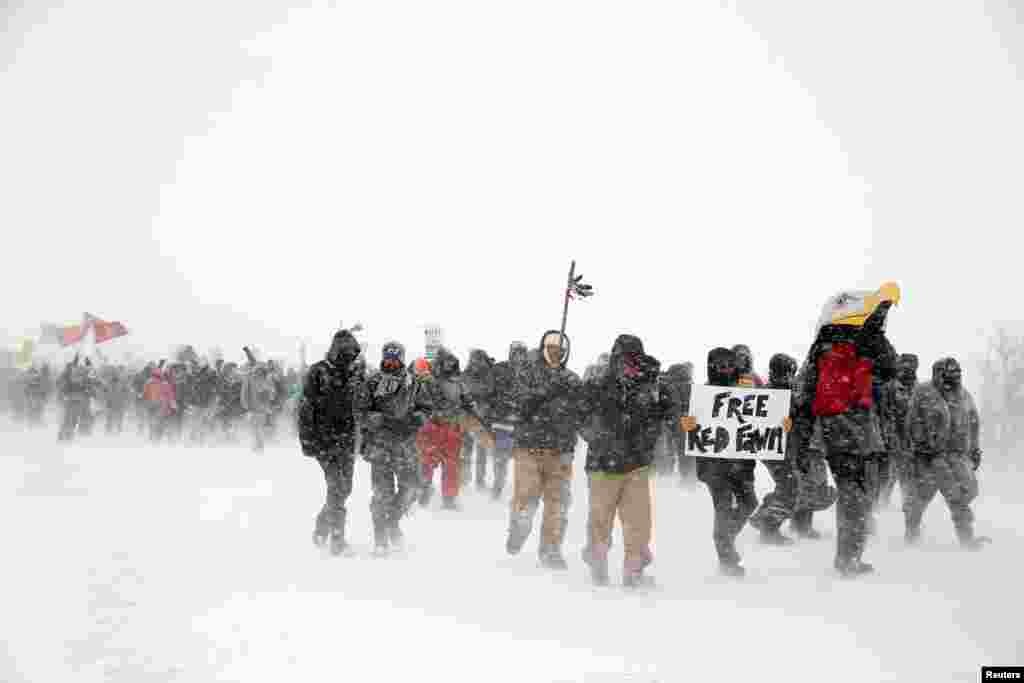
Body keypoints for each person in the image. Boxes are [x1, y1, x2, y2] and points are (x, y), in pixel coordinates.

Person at [803, 290, 897, 577]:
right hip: (842, 430)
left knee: (859, 494)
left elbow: (889, 367)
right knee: (853, 495)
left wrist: (874, 330)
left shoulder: (854, 344)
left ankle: (850, 555)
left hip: (854, 431)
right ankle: (847, 559)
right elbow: (888, 366)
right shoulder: (835, 347)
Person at [578, 334, 670, 587]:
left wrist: (658, 392)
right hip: (607, 465)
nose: (629, 365)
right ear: (615, 358)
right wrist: (602, 440)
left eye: (634, 359)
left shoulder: (649, 386)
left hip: (633, 465)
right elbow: (580, 417)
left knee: (635, 522)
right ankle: (603, 563)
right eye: (624, 359)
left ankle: (630, 568)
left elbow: (664, 416)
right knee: (606, 520)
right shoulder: (598, 385)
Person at [682, 348, 763, 577]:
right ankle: (727, 558)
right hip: (713, 466)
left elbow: (763, 420)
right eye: (720, 365)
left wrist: (780, 424)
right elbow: (689, 425)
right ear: (711, 366)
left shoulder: (747, 389)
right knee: (723, 509)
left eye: (729, 364)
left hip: (742, 464)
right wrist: (688, 425)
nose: (726, 369)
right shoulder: (704, 394)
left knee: (749, 503)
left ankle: (725, 538)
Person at [904, 358, 990, 549]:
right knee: (920, 498)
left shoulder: (964, 395)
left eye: (957, 372)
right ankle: (911, 534)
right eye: (949, 372)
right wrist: (920, 446)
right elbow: (911, 422)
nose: (954, 376)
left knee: (960, 497)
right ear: (938, 373)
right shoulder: (924, 392)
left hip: (956, 456)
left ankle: (967, 539)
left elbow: (973, 422)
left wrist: (974, 449)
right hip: (929, 457)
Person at [357, 341, 432, 555]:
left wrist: (414, 420)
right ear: (383, 357)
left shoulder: (414, 383)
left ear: (401, 358)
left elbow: (426, 408)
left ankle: (392, 522)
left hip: (405, 446)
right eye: (388, 357)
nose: (391, 361)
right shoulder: (372, 382)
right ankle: (380, 537)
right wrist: (379, 419)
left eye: (395, 357)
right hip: (380, 446)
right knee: (382, 494)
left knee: (411, 489)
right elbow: (360, 412)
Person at [298, 328, 363, 556]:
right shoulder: (318, 371)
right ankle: (337, 539)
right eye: (345, 352)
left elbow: (362, 407)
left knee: (345, 489)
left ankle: (321, 525)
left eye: (352, 353)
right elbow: (305, 408)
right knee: (336, 489)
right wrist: (307, 441)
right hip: (324, 442)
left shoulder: (355, 373)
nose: (349, 357)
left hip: (347, 441)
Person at [417, 347, 493, 510]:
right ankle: (423, 492)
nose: (449, 366)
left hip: (452, 428)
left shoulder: (459, 382)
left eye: (452, 363)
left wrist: (473, 410)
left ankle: (449, 498)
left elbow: (468, 401)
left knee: (451, 466)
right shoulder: (430, 381)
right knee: (428, 463)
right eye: (446, 363)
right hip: (434, 426)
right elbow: (423, 403)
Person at [748, 353, 801, 545]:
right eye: (789, 372)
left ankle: (765, 516)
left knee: (787, 486)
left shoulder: (780, 389)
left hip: (781, 447)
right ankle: (768, 527)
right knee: (789, 487)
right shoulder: (773, 392)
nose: (790, 376)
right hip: (775, 447)